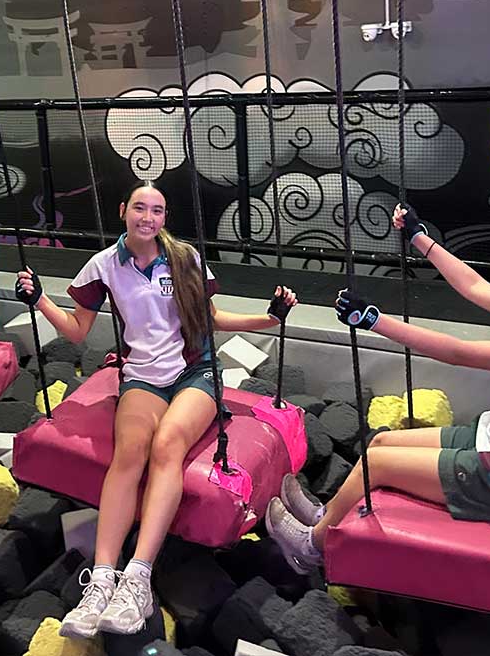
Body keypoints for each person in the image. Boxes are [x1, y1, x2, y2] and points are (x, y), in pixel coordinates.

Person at [15, 180, 297, 637]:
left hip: (195, 372)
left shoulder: (184, 257)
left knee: (167, 446)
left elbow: (212, 318)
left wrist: (269, 318)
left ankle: (138, 577)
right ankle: (102, 579)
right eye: (140, 208)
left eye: (158, 210)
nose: (149, 217)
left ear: (165, 218)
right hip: (142, 376)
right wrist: (39, 301)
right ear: (123, 210)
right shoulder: (103, 265)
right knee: (130, 453)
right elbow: (76, 332)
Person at [266, 204, 490, 574]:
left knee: (376, 464)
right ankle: (325, 515)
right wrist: (419, 237)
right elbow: (473, 285)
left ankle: (311, 548)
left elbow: (458, 352)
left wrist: (373, 320)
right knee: (379, 443)